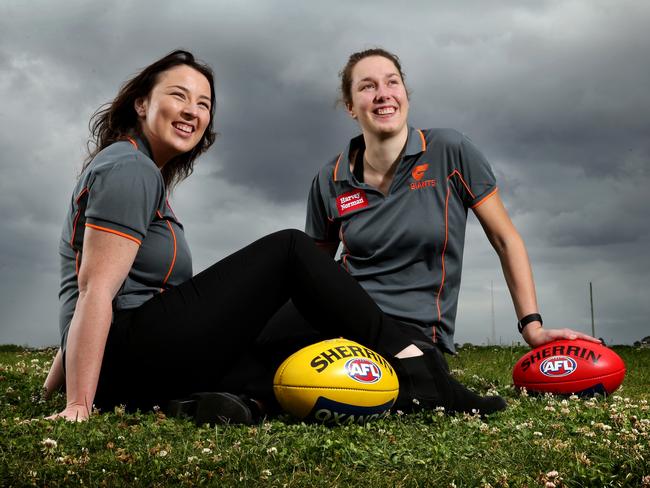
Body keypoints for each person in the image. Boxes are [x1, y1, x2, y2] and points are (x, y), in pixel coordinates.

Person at [43, 49, 506, 425]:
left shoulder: (136, 170)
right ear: (142, 103)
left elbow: (80, 291)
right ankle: (421, 369)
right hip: (126, 355)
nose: (192, 111)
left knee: (272, 354)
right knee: (289, 249)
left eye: (204, 104)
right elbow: (94, 290)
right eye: (179, 96)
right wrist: (79, 403)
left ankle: (223, 401)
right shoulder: (129, 169)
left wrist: (54, 385)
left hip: (131, 369)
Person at [303, 48, 600, 360]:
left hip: (414, 333)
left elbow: (504, 239)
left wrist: (532, 326)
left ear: (405, 93)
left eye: (392, 83)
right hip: (342, 320)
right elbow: (313, 272)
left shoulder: (449, 150)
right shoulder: (330, 177)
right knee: (290, 252)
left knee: (394, 383)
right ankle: (252, 402)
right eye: (368, 86)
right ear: (350, 106)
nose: (383, 95)